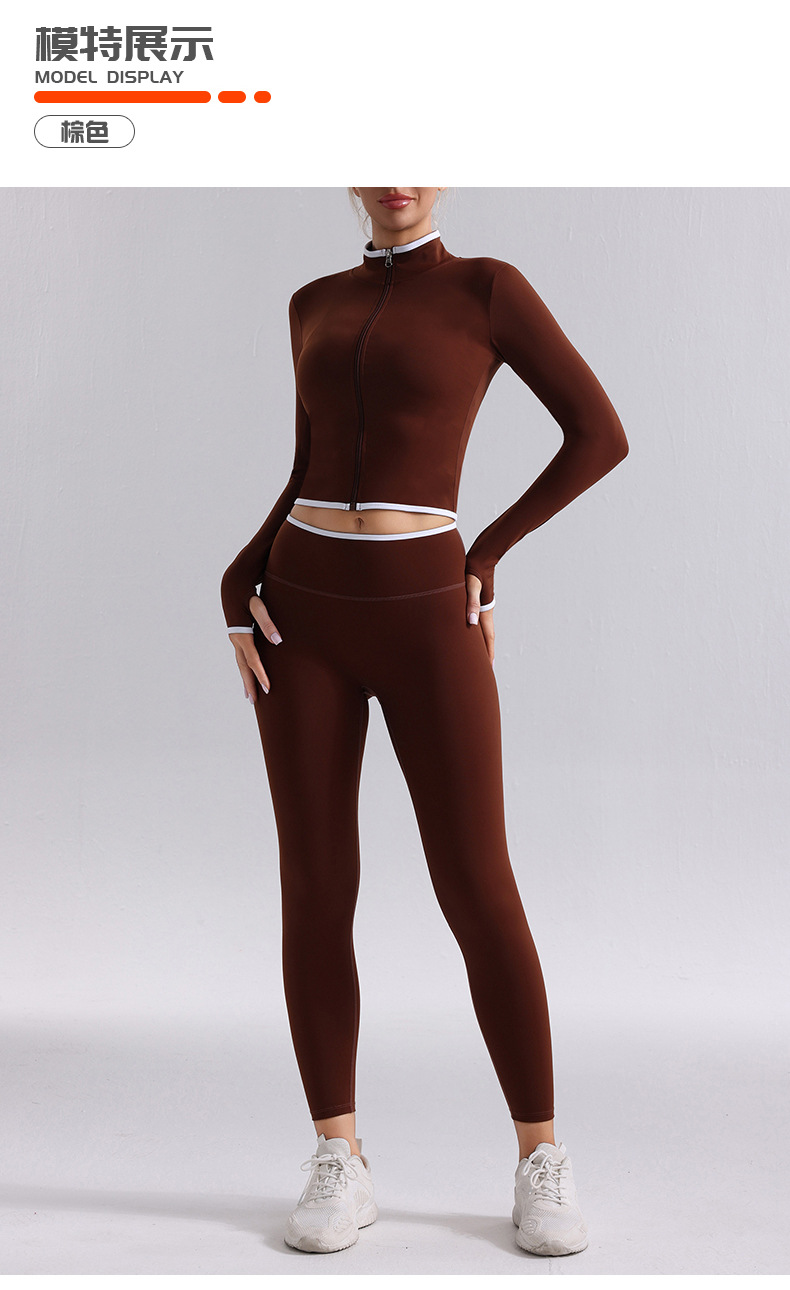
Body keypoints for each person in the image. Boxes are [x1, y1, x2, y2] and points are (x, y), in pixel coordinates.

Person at [221, 187, 629, 1258]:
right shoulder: (312, 302)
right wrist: (237, 579)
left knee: (477, 884)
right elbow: (308, 464)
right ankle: (338, 1155)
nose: (396, 173)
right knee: (316, 881)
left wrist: (485, 552)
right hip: (300, 612)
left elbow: (599, 436)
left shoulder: (488, 289)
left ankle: (540, 1158)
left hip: (425, 610)